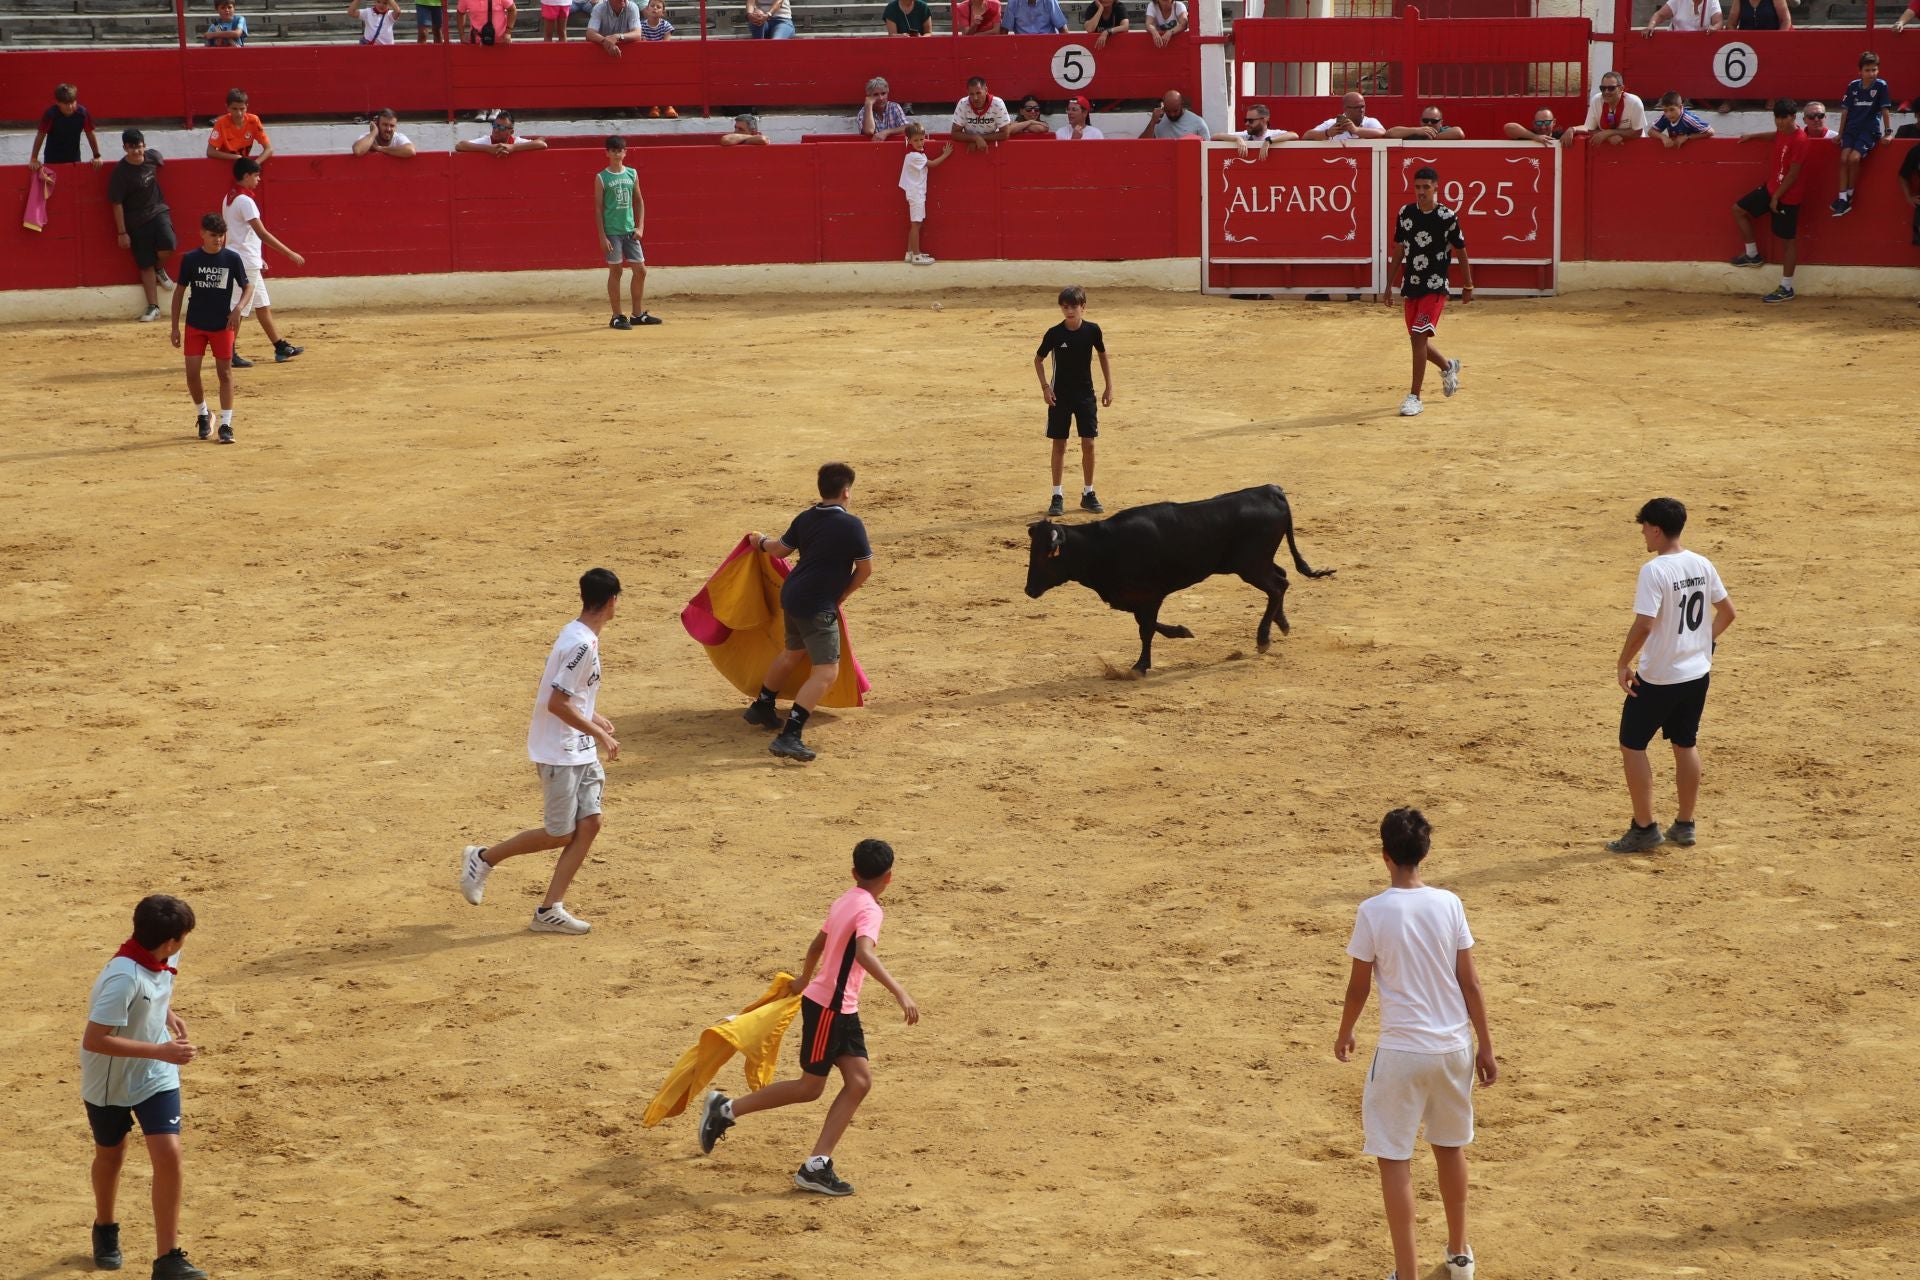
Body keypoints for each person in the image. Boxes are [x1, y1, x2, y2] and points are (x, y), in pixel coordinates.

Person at [696, 839, 920, 1195]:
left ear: (853, 872)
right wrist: (900, 992)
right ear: (889, 877)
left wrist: (804, 977)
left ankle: (817, 1165)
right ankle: (726, 1109)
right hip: (830, 1008)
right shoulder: (871, 911)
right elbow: (864, 953)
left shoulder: (846, 899)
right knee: (809, 1087)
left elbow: (818, 943)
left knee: (859, 1082)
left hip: (841, 1008)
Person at [1334, 808, 1496, 1280]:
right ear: (1425, 853)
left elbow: (1359, 986)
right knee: (1450, 1148)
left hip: (1402, 1052)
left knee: (1394, 1157)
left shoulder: (1372, 910)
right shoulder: (1450, 903)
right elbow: (1472, 984)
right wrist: (1485, 1045)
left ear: (1385, 857)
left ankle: (1406, 1274)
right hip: (1453, 1047)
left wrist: (1345, 1031)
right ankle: (1460, 1256)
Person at [460, 568, 624, 934]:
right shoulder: (582, 644)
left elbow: (560, 690)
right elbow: (556, 703)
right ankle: (483, 858)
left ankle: (550, 909)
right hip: (560, 751)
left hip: (576, 749)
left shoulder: (576, 634)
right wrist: (600, 732)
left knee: (591, 823)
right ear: (612, 601)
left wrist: (592, 714)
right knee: (560, 834)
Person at [81, 895, 210, 1280]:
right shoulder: (122, 978)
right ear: (170, 940)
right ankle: (105, 1227)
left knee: (168, 1152)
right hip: (110, 1081)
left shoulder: (163, 955)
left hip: (155, 1073)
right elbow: (95, 1039)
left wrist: (165, 1012)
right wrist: (162, 1049)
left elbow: (158, 986)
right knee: (111, 1156)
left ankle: (168, 1258)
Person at [1608, 498, 1735, 853]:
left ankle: (1645, 827)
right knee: (1685, 742)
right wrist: (1702, 644)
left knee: (1632, 745)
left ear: (1657, 529)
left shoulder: (1655, 570)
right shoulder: (1701, 563)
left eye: (1645, 527)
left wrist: (1622, 662)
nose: (1643, 534)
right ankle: (1685, 823)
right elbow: (1728, 612)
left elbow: (1645, 624)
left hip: (1661, 677)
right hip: (1697, 674)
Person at [741, 462, 874, 763]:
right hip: (816, 603)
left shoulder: (806, 517)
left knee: (793, 652)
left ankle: (762, 705)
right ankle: (791, 734)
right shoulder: (851, 525)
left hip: (792, 594)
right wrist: (841, 596)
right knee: (827, 671)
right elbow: (865, 569)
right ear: (846, 492)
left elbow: (778, 550)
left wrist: (758, 541)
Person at [1386, 165, 1470, 418]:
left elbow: (1461, 250)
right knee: (1417, 338)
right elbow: (1399, 249)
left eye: (1426, 187)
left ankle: (1415, 396)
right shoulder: (1405, 213)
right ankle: (1448, 367)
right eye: (1418, 187)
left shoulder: (1447, 216)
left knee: (1419, 336)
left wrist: (1468, 284)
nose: (1421, 192)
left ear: (1436, 188)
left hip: (1435, 284)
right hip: (1411, 284)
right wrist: (1388, 284)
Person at [170, 212, 252, 445]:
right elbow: (179, 292)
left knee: (224, 373)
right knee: (192, 373)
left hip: (222, 324)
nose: (219, 240)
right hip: (195, 324)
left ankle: (226, 424)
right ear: (202, 235)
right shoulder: (191, 259)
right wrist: (175, 327)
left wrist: (238, 309)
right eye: (214, 235)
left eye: (222, 235)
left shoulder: (231, 259)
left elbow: (247, 287)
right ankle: (203, 414)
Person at [1034, 284, 1112, 516]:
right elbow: (1038, 360)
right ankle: (1057, 494)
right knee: (1059, 444)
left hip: (1086, 395)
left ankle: (1088, 492)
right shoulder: (1054, 333)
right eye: (1065, 307)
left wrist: (1109, 386)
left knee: (1089, 443)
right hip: (1060, 396)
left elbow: (1103, 355)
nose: (1069, 311)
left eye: (1074, 307)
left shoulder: (1093, 330)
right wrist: (1046, 387)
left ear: (1083, 307)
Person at [220, 158, 306, 368]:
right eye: (256, 175)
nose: (259, 179)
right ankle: (228, 353)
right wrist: (289, 253)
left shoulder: (229, 198)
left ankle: (280, 346)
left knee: (261, 305)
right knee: (237, 309)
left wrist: (258, 257)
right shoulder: (245, 201)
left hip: (244, 258)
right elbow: (262, 233)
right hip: (245, 262)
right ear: (247, 175)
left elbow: (238, 234)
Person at [1729, 99, 1809, 305]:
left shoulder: (1801, 139)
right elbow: (1776, 136)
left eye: (1784, 118)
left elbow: (1793, 174)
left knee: (1788, 242)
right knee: (1738, 209)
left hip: (1787, 196)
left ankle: (1787, 287)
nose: (1779, 122)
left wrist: (1776, 196)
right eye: (1777, 118)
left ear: (1793, 117)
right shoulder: (1782, 132)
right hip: (1772, 188)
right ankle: (1753, 255)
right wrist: (1753, 136)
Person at [108, 129, 175, 323]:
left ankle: (159, 269)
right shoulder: (120, 172)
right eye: (132, 148)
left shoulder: (151, 157)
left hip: (158, 211)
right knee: (144, 263)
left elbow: (158, 156)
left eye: (139, 147)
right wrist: (122, 232)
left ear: (144, 145)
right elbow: (117, 203)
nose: (137, 151)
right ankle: (154, 307)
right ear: (125, 148)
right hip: (136, 220)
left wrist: (159, 160)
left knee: (169, 245)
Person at [594, 136, 660, 328]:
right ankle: (616, 315)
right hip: (612, 232)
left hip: (630, 230)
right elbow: (598, 208)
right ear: (607, 153)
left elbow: (639, 201)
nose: (616, 154)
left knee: (640, 271)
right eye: (612, 150)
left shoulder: (632, 173)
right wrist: (602, 236)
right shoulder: (601, 177)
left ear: (625, 152)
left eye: (619, 150)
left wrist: (640, 227)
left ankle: (637, 314)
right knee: (616, 271)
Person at [1834, 51, 1891, 217]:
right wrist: (1840, 133)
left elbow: (1885, 109)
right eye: (1867, 70)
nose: (1871, 73)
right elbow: (1845, 111)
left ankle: (1849, 195)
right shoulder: (1853, 86)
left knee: (1853, 158)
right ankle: (1842, 197)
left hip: (1869, 130)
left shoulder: (1881, 85)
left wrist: (1888, 132)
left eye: (1874, 70)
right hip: (1851, 129)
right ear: (1860, 71)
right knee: (1844, 159)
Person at [899, 122, 954, 265]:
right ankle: (916, 256)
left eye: (922, 139)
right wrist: (946, 154)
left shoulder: (913, 153)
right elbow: (933, 164)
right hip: (916, 193)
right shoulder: (915, 156)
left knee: (916, 224)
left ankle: (910, 253)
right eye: (916, 140)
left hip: (915, 192)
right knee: (916, 224)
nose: (920, 142)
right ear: (909, 140)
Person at [30, 83, 104, 171]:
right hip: (52, 159)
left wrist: (97, 156)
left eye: (72, 102)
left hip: (74, 158)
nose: (70, 107)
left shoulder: (82, 114)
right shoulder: (51, 114)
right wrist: (34, 158)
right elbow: (40, 135)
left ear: (76, 100)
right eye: (65, 104)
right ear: (58, 103)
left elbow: (90, 134)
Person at [1566, 71, 1646, 145]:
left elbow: (1637, 132)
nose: (1606, 92)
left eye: (1611, 88)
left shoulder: (1634, 102)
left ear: (1621, 89)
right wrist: (1608, 136)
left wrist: (1609, 133)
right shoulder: (1596, 100)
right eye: (1603, 88)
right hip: (1606, 150)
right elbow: (1590, 129)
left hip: (1634, 147)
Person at [207, 88, 273, 164]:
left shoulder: (254, 121)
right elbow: (210, 152)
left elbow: (269, 149)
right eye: (234, 109)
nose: (239, 113)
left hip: (242, 165)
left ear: (247, 107)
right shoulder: (221, 122)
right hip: (223, 164)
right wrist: (236, 157)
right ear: (227, 107)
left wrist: (255, 164)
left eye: (242, 109)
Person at [953, 76, 1013, 151]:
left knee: (1013, 128)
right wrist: (975, 138)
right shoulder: (963, 103)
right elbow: (955, 133)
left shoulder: (997, 103)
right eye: (971, 94)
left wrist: (979, 139)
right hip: (971, 148)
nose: (975, 98)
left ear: (986, 90)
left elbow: (1005, 134)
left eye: (978, 93)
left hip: (991, 147)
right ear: (967, 93)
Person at [456, 110, 549, 154]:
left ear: (511, 132)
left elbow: (542, 144)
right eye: (495, 126)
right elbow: (460, 145)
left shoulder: (516, 141)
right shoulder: (487, 140)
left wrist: (513, 147)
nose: (496, 130)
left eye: (501, 127)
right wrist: (488, 149)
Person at [1306, 91, 1386, 140]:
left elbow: (1382, 133)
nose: (1361, 110)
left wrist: (1356, 130)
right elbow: (1307, 135)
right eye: (1356, 107)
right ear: (1346, 109)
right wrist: (1327, 133)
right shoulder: (1332, 123)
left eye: (1362, 106)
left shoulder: (1370, 121)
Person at [1231, 103, 1296, 159]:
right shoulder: (1245, 135)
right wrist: (1237, 138)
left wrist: (1269, 140)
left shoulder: (1273, 134)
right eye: (1246, 120)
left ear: (1264, 120)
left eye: (1251, 121)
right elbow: (1220, 136)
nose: (1246, 123)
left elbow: (1294, 135)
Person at [1141, 89, 1210, 139]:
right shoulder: (1158, 120)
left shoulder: (1198, 123)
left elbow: (1207, 150)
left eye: (1175, 111)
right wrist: (1152, 123)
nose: (1172, 114)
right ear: (1163, 107)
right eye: (1168, 111)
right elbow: (1141, 146)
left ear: (1182, 105)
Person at [351, 107, 416, 157]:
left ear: (396, 127)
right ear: (377, 125)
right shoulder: (368, 137)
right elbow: (357, 150)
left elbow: (411, 150)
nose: (389, 129)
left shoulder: (397, 137)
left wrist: (380, 148)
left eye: (392, 126)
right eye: (385, 125)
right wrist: (373, 133)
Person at [1388, 106, 1466, 141]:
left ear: (1441, 123)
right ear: (1420, 121)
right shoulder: (1415, 133)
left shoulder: (1444, 131)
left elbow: (1459, 133)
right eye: (1425, 120)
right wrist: (1415, 131)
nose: (1429, 123)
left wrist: (1431, 137)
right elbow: (1390, 133)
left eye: (1434, 121)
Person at [1644, 0, 1723, 33]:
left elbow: (1718, 22)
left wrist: (1714, 28)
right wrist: (1651, 26)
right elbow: (1659, 15)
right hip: (1677, 44)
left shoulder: (1712, 1)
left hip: (1701, 46)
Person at [1003, 0, 1067, 34]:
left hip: (1047, 45)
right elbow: (1004, 31)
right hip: (1022, 46)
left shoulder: (1050, 1)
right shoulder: (1013, 2)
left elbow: (1063, 29)